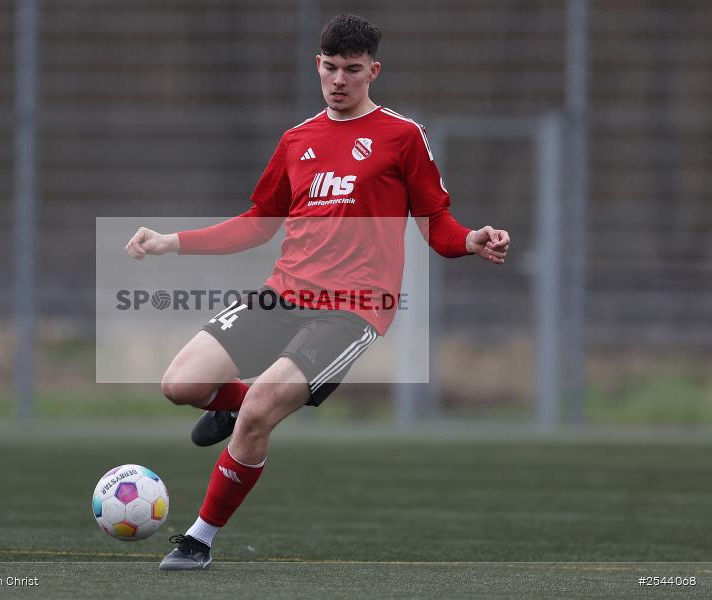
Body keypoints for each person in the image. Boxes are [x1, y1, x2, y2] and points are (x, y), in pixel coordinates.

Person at [125, 14, 510, 571]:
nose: (339, 80)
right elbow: (258, 222)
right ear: (318, 66)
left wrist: (472, 240)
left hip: (353, 312)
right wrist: (172, 242)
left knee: (260, 409)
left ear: (373, 71)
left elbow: (437, 224)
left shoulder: (402, 137)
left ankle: (198, 539)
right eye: (330, 68)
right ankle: (235, 411)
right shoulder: (297, 140)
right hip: (283, 293)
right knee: (180, 384)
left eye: (352, 70)